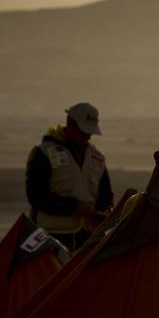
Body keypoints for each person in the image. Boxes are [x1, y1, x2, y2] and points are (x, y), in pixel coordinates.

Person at [25, 103, 113, 250]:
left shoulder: (96, 157)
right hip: (49, 237)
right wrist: (73, 207)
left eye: (90, 132)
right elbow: (36, 195)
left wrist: (101, 213)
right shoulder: (44, 153)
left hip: (86, 237)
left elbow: (106, 195)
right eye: (83, 132)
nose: (88, 136)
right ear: (70, 123)